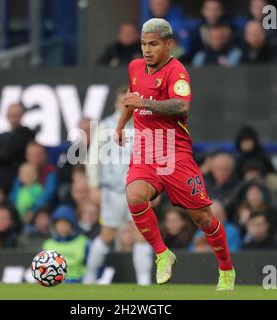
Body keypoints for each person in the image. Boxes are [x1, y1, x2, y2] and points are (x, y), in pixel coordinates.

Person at [114, 18, 235, 290]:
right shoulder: (134, 66)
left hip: (174, 152)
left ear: (168, 44)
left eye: (153, 44)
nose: (147, 49)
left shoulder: (177, 71)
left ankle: (226, 269)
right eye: (143, 44)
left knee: (203, 217)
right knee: (134, 196)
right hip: (146, 147)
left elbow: (181, 106)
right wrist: (121, 126)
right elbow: (132, 97)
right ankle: (162, 253)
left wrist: (144, 102)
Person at [84, 86, 153, 285]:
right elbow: (93, 158)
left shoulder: (144, 127)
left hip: (137, 190)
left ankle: (143, 282)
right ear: (116, 103)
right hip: (112, 190)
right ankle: (90, 276)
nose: (127, 105)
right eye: (123, 101)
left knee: (141, 233)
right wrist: (93, 186)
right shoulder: (105, 126)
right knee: (107, 234)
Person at [0, 103, 35, 192]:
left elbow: (9, 154)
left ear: (22, 116)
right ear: (7, 116)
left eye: (17, 115)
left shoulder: (26, 133)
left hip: (14, 174)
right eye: (12, 115)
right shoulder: (2, 136)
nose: (14, 118)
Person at [43, 205, 89, 283]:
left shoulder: (83, 242)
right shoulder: (48, 244)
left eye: (65, 223)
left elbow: (91, 267)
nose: (62, 227)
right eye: (59, 223)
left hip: (78, 282)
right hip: (54, 283)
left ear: (72, 224)